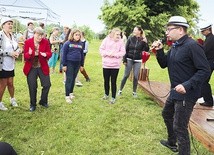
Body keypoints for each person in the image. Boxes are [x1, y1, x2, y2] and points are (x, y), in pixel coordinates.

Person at [152, 16, 210, 155]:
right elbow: (164, 64)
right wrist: (159, 51)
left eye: (169, 29)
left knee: (180, 127)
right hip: (175, 91)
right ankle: (172, 143)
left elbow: (205, 70)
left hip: (187, 93)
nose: (166, 32)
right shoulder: (175, 46)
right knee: (166, 113)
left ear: (180, 30)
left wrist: (187, 85)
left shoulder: (192, 46)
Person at [23, 27, 52, 112]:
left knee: (47, 84)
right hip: (31, 67)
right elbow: (25, 56)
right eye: (38, 35)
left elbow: (49, 53)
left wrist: (45, 54)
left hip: (42, 66)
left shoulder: (45, 42)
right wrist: (29, 53)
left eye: (41, 35)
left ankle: (43, 101)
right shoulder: (28, 42)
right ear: (34, 34)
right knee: (32, 86)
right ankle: (33, 104)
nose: (40, 37)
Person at [118, 26, 149, 97]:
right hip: (129, 59)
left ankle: (134, 92)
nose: (133, 31)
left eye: (135, 30)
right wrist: (124, 59)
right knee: (126, 75)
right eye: (134, 30)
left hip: (138, 60)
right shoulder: (130, 38)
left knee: (135, 76)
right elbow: (126, 49)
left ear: (139, 31)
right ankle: (120, 90)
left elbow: (146, 50)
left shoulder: (143, 40)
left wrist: (146, 42)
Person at [99, 28, 126, 104]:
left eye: (119, 34)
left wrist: (115, 55)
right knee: (106, 80)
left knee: (113, 81)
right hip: (106, 64)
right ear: (113, 34)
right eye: (117, 34)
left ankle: (113, 97)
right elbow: (101, 49)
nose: (118, 36)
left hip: (115, 65)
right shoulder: (106, 40)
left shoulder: (121, 42)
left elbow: (123, 52)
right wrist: (107, 54)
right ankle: (106, 94)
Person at [0, 17, 20, 111]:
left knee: (11, 83)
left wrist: (18, 52)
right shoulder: (0, 35)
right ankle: (0, 103)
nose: (10, 25)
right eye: (8, 23)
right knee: (3, 83)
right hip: (2, 64)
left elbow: (16, 47)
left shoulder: (13, 35)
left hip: (11, 64)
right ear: (3, 25)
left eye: (11, 24)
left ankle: (12, 99)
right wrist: (10, 53)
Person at [62, 29, 84, 104]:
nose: (78, 36)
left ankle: (71, 93)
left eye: (79, 35)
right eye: (76, 35)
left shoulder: (81, 44)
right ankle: (67, 95)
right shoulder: (67, 43)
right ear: (72, 35)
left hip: (77, 63)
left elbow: (82, 55)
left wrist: (81, 65)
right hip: (69, 63)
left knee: (74, 78)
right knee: (69, 79)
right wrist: (64, 65)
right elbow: (63, 54)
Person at [199, 23, 214, 107]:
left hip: (210, 62)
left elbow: (204, 51)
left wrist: (198, 45)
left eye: (203, 31)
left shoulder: (210, 39)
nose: (202, 32)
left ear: (208, 30)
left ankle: (209, 101)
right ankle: (203, 96)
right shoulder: (209, 38)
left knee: (204, 81)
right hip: (210, 62)